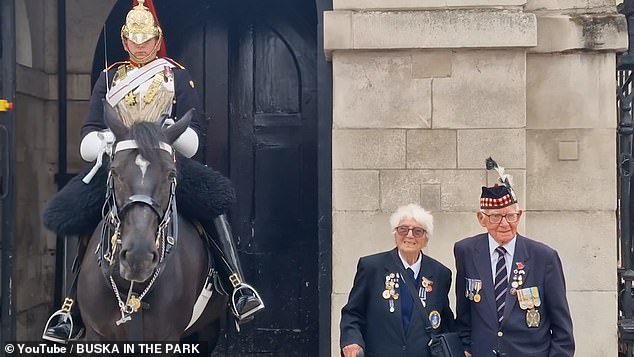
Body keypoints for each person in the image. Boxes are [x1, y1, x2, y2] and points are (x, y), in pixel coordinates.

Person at [42, 0, 264, 343]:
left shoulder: (175, 75)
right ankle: (69, 308)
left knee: (212, 200)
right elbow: (88, 132)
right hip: (120, 162)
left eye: (146, 39)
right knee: (78, 210)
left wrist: (171, 133)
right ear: (125, 39)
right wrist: (105, 139)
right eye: (134, 39)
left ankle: (237, 285)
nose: (140, 45)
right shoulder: (110, 77)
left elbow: (195, 134)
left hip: (164, 160)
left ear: (156, 37)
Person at [453, 157, 575, 357]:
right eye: (495, 217)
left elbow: (562, 330)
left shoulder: (544, 257)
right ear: (481, 218)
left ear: (519, 214)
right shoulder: (466, 251)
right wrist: (465, 347)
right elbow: (464, 313)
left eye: (511, 216)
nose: (504, 224)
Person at [339, 203, 455, 357]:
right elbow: (353, 313)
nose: (409, 235)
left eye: (418, 231)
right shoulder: (372, 268)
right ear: (395, 233)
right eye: (403, 229)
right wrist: (352, 341)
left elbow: (445, 321)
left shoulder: (440, 273)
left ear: (426, 239)